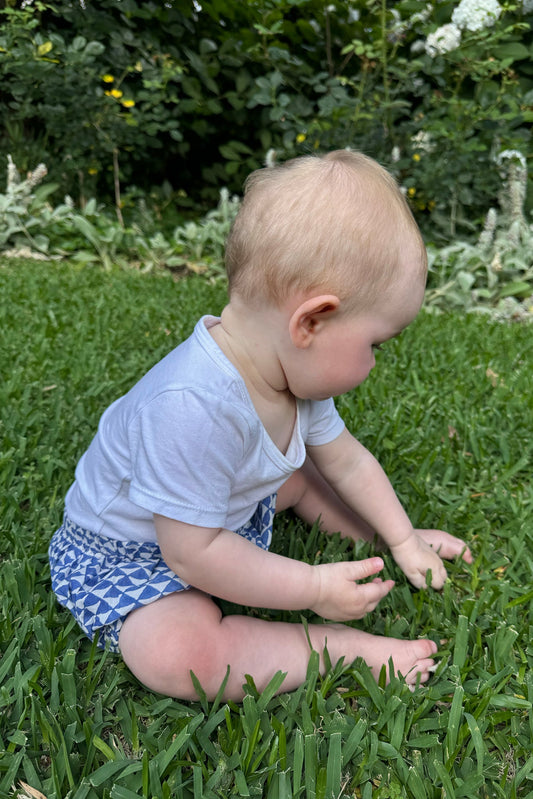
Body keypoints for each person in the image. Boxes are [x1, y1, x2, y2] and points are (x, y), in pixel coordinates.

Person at [49, 150, 472, 702]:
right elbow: (191, 554)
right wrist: (313, 587)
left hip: (218, 515)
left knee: (295, 478)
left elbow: (346, 461)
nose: (374, 363)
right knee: (178, 656)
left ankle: (371, 544)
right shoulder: (190, 406)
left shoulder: (288, 373)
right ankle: (342, 649)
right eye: (375, 344)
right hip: (139, 550)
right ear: (311, 321)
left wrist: (402, 538)